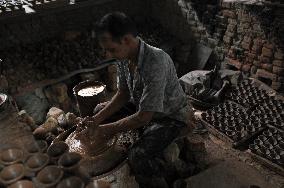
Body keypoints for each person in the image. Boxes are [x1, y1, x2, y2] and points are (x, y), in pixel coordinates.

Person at [77, 12, 193, 188]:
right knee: (97, 110)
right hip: (142, 105)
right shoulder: (124, 57)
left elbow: (144, 117)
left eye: (111, 49)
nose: (108, 55)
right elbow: (123, 93)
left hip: (169, 115)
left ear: (127, 40)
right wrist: (95, 121)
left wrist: (104, 131)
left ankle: (167, 174)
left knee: (137, 156)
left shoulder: (155, 61)